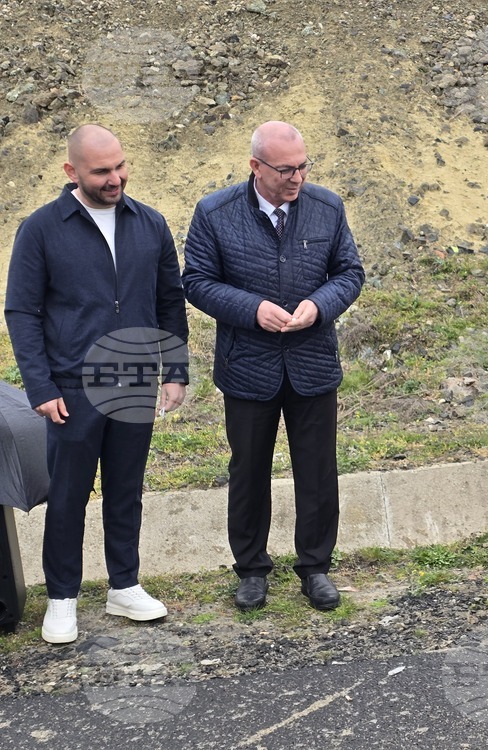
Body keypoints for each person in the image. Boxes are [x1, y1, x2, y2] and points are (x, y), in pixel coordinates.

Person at [5, 124, 189, 644]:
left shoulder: (150, 224)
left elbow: (170, 301)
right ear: (72, 172)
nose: (116, 179)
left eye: (121, 166)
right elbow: (21, 310)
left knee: (126, 491)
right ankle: (62, 598)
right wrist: (39, 387)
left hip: (133, 380)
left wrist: (173, 371)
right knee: (67, 496)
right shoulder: (40, 229)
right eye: (102, 171)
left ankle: (124, 585)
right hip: (71, 387)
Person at [183, 121, 365, 613]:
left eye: (304, 166)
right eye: (286, 169)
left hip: (312, 364)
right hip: (248, 368)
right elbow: (196, 281)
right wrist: (251, 308)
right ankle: (251, 570)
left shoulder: (327, 207)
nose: (297, 178)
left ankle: (316, 567)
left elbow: (350, 272)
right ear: (255, 167)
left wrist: (320, 305)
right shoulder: (214, 213)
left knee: (318, 470)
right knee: (248, 470)